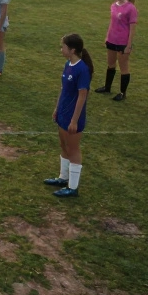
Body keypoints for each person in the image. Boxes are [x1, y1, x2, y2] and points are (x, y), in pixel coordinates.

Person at [44, 33, 93, 198]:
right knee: (63, 145)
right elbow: (63, 89)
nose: (61, 49)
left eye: (63, 46)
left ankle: (73, 188)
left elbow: (82, 96)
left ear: (72, 50)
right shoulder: (68, 64)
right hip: (63, 113)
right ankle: (63, 178)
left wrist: (74, 120)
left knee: (73, 149)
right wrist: (57, 108)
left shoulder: (82, 70)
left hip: (73, 116)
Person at [95, 0, 138, 101]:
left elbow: (132, 29)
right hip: (112, 39)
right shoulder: (113, 5)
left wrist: (128, 45)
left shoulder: (131, 8)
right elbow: (112, 23)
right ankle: (107, 87)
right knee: (111, 64)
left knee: (123, 67)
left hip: (122, 42)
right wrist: (107, 37)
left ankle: (122, 93)